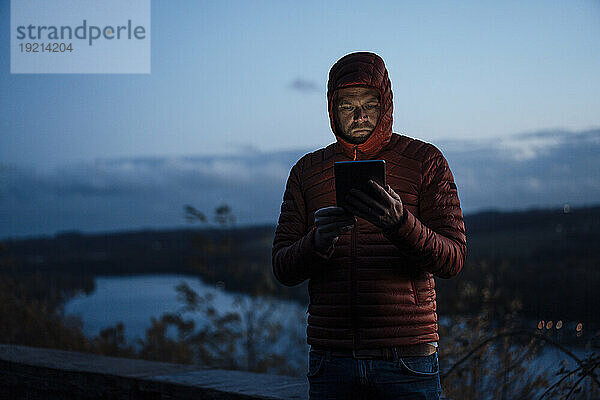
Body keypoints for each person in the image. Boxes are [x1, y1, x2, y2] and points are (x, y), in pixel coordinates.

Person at [272, 51, 466, 400]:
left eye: (369, 104)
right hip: (331, 360)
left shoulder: (425, 161)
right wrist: (317, 242)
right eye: (348, 105)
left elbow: (453, 258)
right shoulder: (307, 171)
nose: (360, 115)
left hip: (407, 359)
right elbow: (282, 267)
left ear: (386, 104)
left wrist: (400, 223)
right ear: (332, 109)